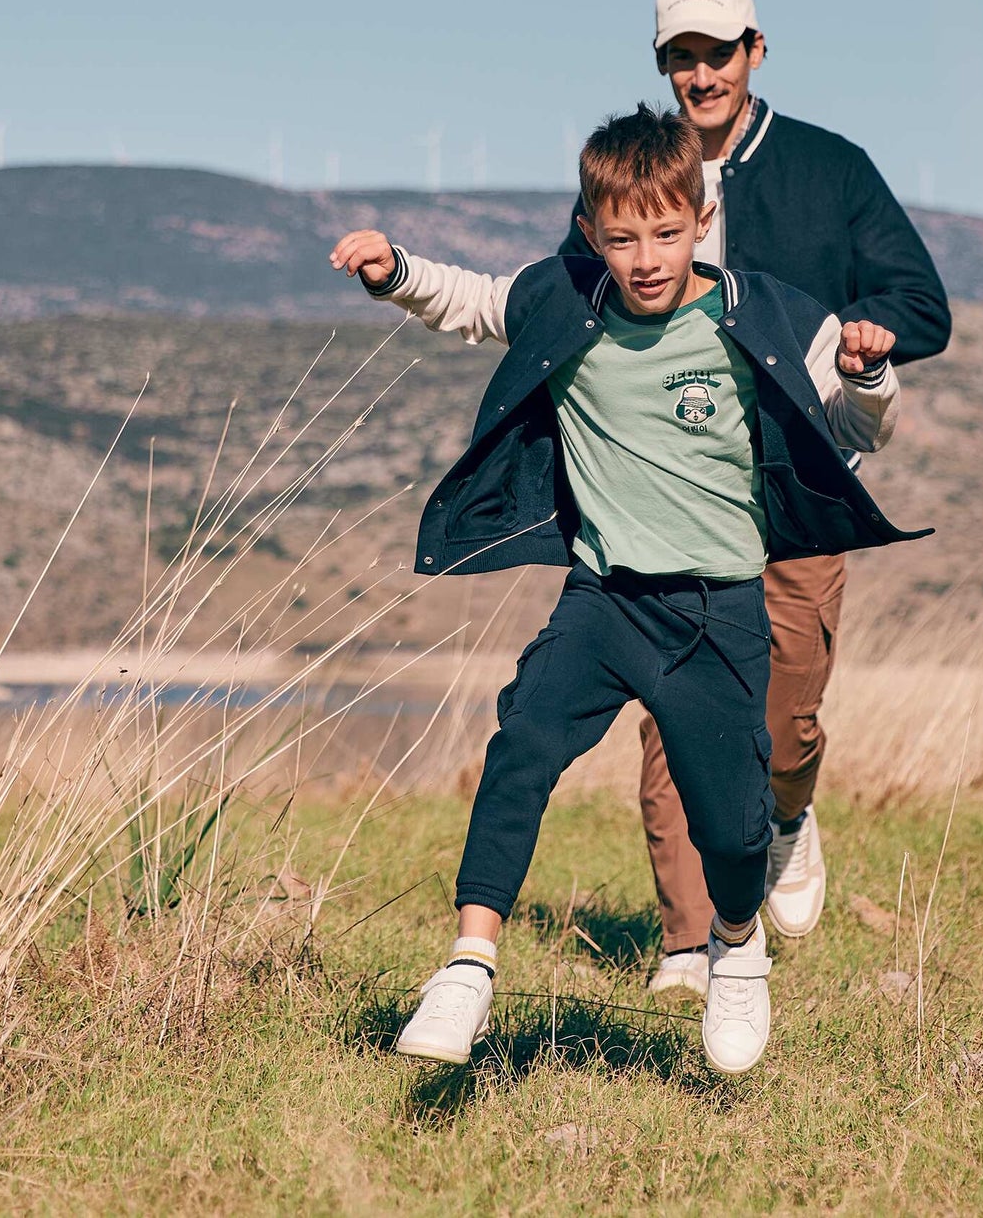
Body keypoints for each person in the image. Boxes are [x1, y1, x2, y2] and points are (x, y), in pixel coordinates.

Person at [330, 105, 925, 1073]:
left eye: (661, 232)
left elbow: (860, 432)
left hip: (716, 610)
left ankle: (736, 950)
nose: (643, 256)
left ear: (697, 221)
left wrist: (866, 377)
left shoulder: (767, 316)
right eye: (619, 237)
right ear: (589, 233)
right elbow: (471, 301)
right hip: (602, 601)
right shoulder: (563, 301)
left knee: (729, 825)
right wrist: (393, 270)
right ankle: (467, 965)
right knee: (518, 750)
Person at [558, 0, 951, 994]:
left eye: (717, 52)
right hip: (670, 486)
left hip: (797, 483)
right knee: (671, 705)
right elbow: (570, 299)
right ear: (662, 65)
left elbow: (924, 302)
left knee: (787, 709)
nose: (701, 74)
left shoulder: (832, 170)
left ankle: (786, 810)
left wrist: (873, 337)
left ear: (754, 52)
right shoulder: (633, 181)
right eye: (680, 57)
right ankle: (690, 942)